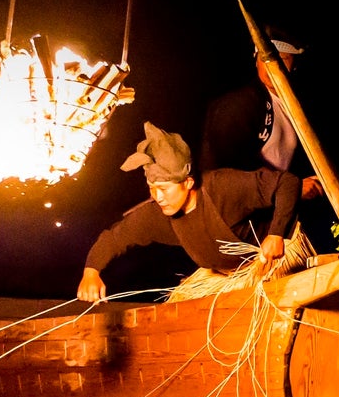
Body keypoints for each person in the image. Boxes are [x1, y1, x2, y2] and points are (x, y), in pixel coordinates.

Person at [77, 122, 302, 302]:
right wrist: (91, 271)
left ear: (188, 182)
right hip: (227, 278)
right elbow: (114, 238)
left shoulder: (222, 188)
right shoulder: (157, 214)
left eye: (164, 189)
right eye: (152, 189)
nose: (158, 197)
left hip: (272, 262)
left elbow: (287, 183)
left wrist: (276, 233)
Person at [199, 26, 324, 201]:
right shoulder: (239, 104)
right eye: (264, 59)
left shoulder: (297, 105)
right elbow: (222, 172)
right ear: (255, 60)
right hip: (239, 209)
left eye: (282, 58)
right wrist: (290, 187)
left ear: (295, 64)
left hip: (276, 208)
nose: (271, 66)